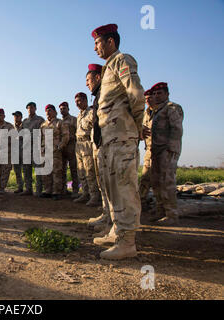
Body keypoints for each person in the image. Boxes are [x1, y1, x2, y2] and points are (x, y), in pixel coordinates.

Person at [91, 24, 145, 259]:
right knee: (112, 187)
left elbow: (135, 94)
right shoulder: (109, 66)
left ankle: (127, 242)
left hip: (122, 135)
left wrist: (137, 125)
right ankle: (116, 231)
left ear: (110, 41)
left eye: (98, 42)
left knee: (124, 186)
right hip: (110, 138)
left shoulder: (123, 60)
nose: (95, 48)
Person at [147, 82, 184, 226]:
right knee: (156, 182)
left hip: (167, 151)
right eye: (154, 94)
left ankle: (172, 214)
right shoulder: (156, 112)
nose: (156, 96)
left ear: (167, 94)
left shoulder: (172, 108)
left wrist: (171, 149)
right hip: (156, 151)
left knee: (167, 182)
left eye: (160, 93)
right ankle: (161, 211)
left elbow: (176, 129)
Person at [85, 64, 113, 235]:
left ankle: (115, 225)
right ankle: (107, 215)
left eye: (88, 80)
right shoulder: (98, 95)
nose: (87, 83)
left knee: (112, 185)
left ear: (97, 77)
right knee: (103, 182)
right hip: (100, 144)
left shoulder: (107, 93)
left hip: (110, 143)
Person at [73, 93, 101, 207]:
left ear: (85, 100)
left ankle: (94, 196)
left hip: (87, 143)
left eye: (79, 101)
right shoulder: (79, 115)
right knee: (81, 171)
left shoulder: (91, 112)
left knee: (90, 171)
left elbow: (95, 128)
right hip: (78, 144)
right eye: (76, 101)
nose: (77, 103)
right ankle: (85, 193)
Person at [40, 104, 69, 201]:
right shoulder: (43, 125)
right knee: (46, 172)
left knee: (57, 172)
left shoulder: (59, 123)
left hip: (55, 151)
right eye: (46, 110)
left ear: (55, 112)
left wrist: (60, 146)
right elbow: (40, 138)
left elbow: (65, 136)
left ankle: (56, 192)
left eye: (50, 110)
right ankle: (48, 190)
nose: (48, 112)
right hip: (45, 152)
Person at [21, 102, 45, 196]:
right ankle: (28, 189)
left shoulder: (40, 120)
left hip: (36, 148)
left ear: (35, 108)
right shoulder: (25, 121)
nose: (30, 109)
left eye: (32, 107)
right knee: (26, 170)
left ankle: (38, 190)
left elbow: (42, 133)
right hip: (26, 148)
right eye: (28, 108)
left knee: (38, 171)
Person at [139, 89, 156, 211]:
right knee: (145, 178)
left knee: (163, 180)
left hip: (164, 150)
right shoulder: (145, 114)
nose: (148, 101)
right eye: (146, 99)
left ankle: (168, 211)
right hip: (149, 150)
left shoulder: (168, 110)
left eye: (150, 97)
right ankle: (142, 202)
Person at [59, 102, 79, 198]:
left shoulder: (73, 119)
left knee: (73, 169)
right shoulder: (59, 121)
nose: (62, 110)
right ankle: (63, 189)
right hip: (62, 147)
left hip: (71, 146)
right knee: (62, 169)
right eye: (61, 109)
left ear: (68, 109)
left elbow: (78, 132)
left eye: (64, 108)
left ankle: (75, 190)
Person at [12, 111, 24, 193]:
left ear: (21, 117)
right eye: (14, 116)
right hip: (15, 153)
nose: (16, 117)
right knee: (17, 171)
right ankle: (20, 187)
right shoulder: (11, 127)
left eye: (17, 116)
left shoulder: (25, 126)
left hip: (24, 152)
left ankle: (28, 188)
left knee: (26, 171)